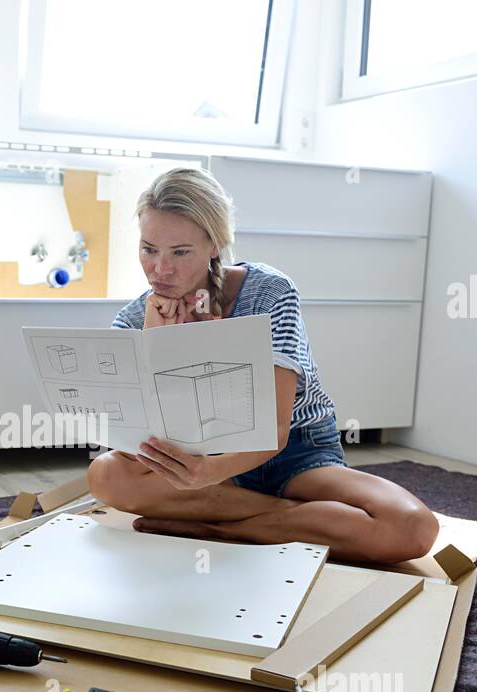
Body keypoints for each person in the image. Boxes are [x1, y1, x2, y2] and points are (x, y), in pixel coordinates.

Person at [86, 167, 439, 564]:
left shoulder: (268, 291)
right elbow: (134, 446)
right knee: (104, 475)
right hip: (198, 462)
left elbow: (275, 429)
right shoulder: (134, 318)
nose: (161, 270)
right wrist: (156, 340)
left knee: (412, 527)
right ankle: (292, 524)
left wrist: (210, 476)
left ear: (215, 245)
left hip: (297, 455)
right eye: (149, 249)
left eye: (180, 252)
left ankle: (212, 529)